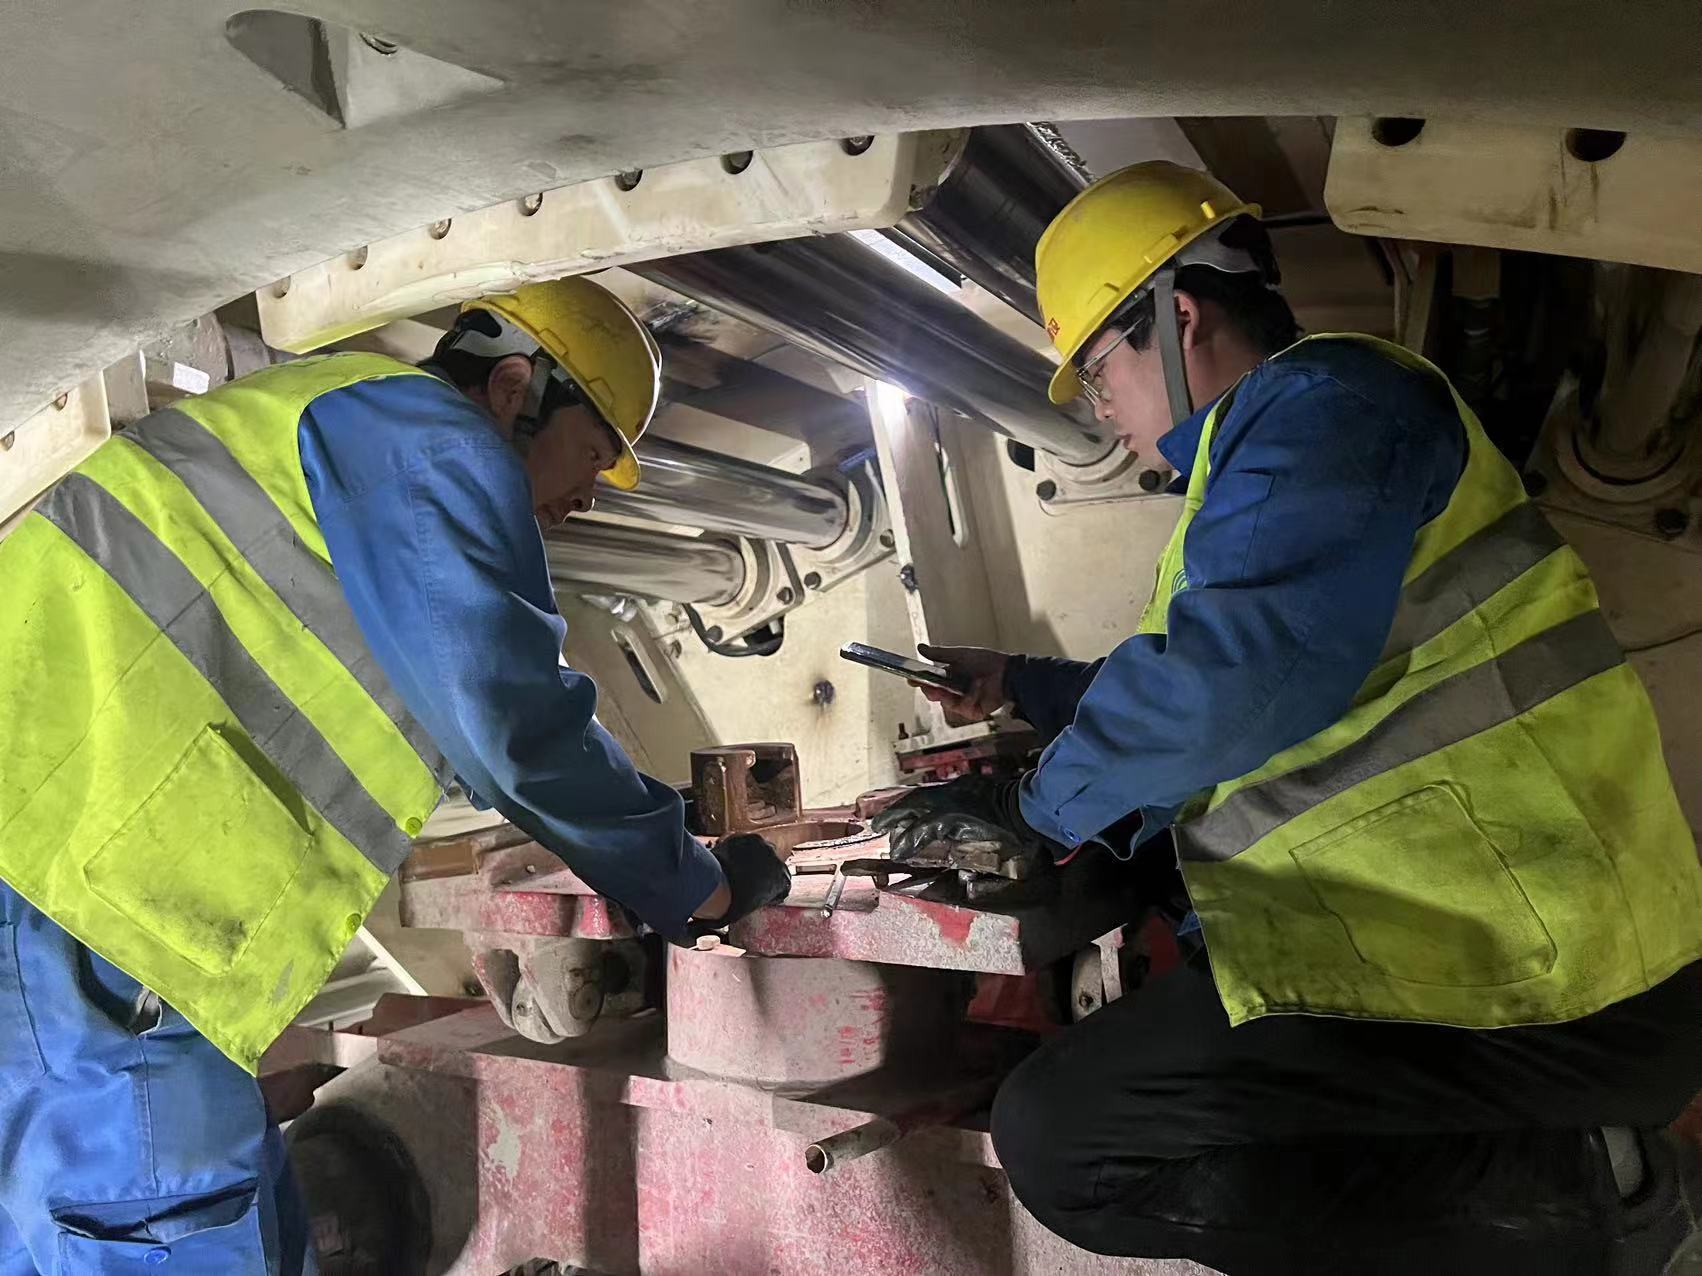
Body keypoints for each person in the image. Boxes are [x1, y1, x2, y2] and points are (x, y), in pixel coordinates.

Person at [874, 162, 1702, 1274]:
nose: (1100, 409)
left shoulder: (1331, 400)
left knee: (1066, 1141)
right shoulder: (1265, 462)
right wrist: (1017, 683)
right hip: (1472, 937)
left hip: (1543, 975)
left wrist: (1034, 809)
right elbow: (1205, 670)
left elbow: (1237, 679)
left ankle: (1603, 1193)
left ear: (1177, 318)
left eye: (1098, 371)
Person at [0, 278, 790, 1272]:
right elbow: (508, 720)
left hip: (71, 892)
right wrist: (694, 883)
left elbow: (433, 723)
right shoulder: (430, 434)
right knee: (161, 1225)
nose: (589, 495)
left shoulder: (342, 438)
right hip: (93, 917)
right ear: (515, 386)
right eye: (593, 453)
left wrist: (639, 813)